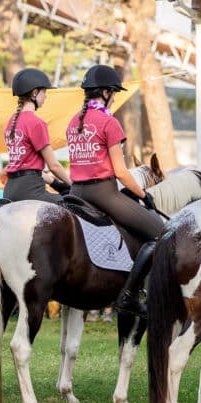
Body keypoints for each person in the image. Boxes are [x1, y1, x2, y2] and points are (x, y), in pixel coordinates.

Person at [66, 64, 162, 317]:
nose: (115, 97)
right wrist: (144, 195)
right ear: (106, 92)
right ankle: (129, 296)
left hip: (75, 191)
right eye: (115, 93)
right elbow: (120, 172)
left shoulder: (73, 121)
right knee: (161, 234)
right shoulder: (109, 122)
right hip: (103, 193)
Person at [1, 68, 71, 203]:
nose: (45, 96)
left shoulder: (12, 121)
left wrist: (55, 183)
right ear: (34, 93)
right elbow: (54, 166)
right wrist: (72, 185)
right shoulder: (36, 123)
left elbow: (26, 167)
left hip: (9, 190)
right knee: (73, 208)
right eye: (44, 91)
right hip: (31, 191)